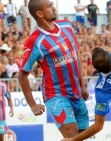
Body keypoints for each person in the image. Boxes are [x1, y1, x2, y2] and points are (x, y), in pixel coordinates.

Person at [18, 0, 89, 138]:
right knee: (72, 136)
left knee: (82, 137)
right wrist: (32, 104)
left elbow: (76, 56)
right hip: (56, 95)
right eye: (49, 6)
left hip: (77, 92)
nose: (53, 8)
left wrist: (82, 85)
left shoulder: (67, 26)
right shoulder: (34, 41)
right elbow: (22, 75)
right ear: (39, 13)